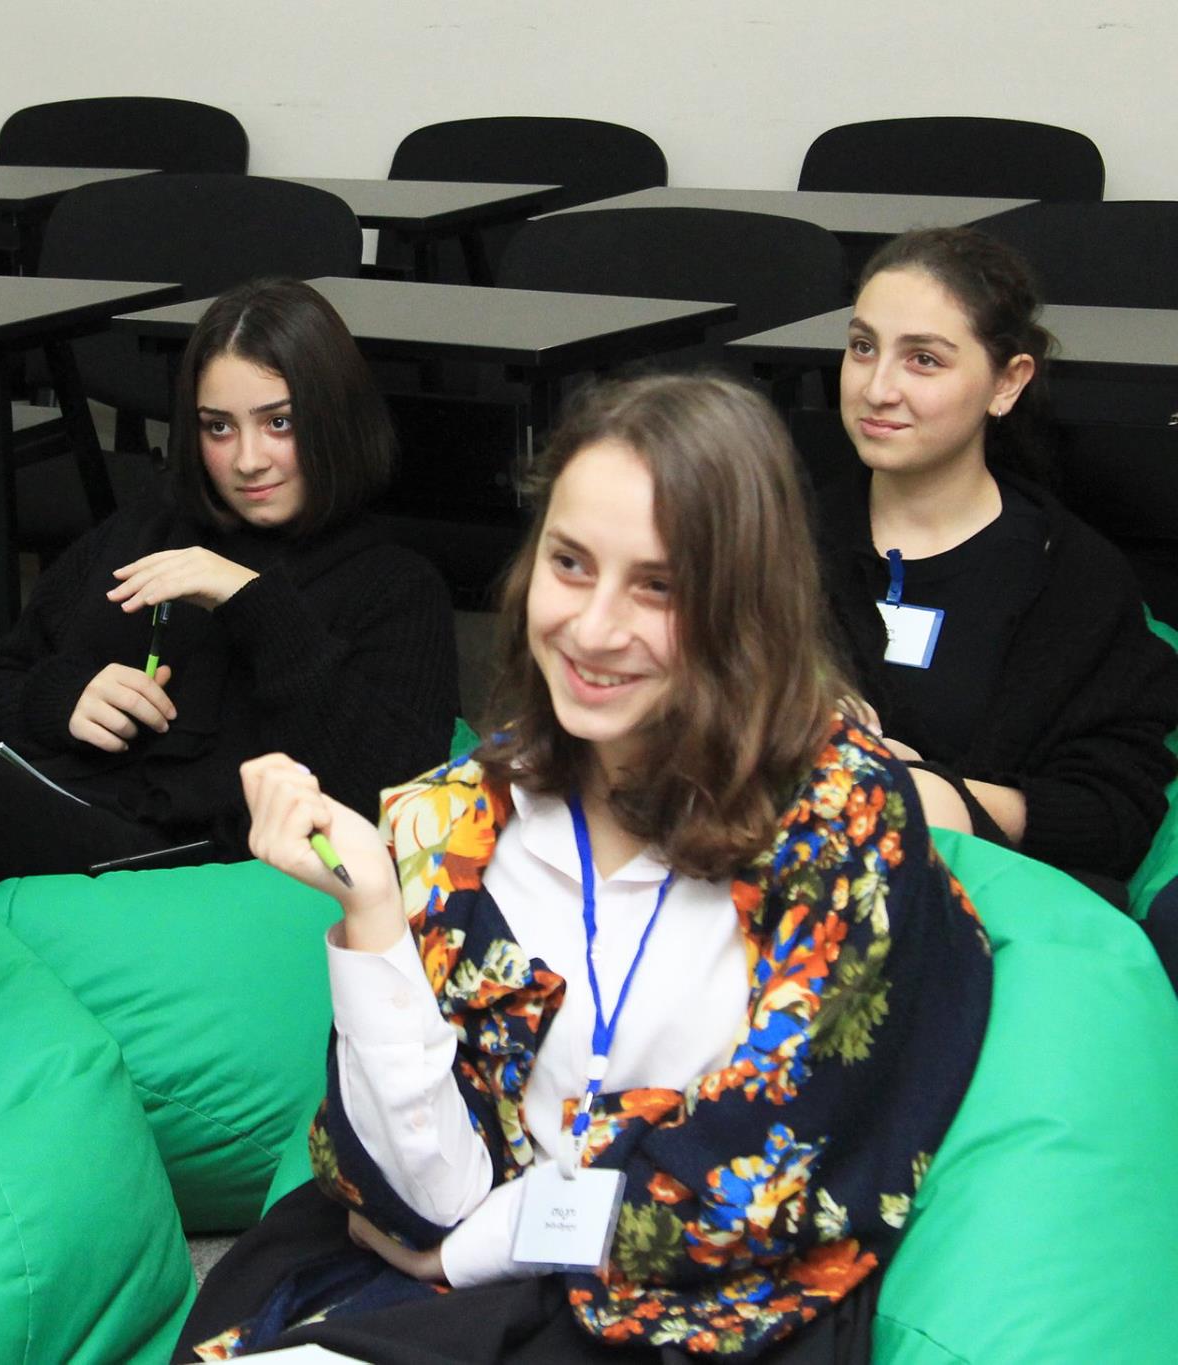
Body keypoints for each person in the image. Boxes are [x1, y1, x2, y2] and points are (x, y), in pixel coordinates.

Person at [176, 375, 994, 1363]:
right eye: (570, 564)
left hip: (692, 1310)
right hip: (441, 1290)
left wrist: (480, 1244)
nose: (594, 630)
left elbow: (754, 1186)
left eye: (657, 587)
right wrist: (375, 916)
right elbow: (419, 1201)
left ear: (746, 606)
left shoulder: (843, 816)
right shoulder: (454, 818)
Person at [0, 277, 459, 877]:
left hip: (174, 859)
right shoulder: (144, 531)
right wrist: (61, 699)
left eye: (279, 423)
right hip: (60, 806)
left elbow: (391, 800)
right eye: (219, 427)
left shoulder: (397, 586)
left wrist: (252, 601)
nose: (248, 460)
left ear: (335, 420)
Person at [817, 227, 1178, 890]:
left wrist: (943, 800)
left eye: (923, 360)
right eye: (863, 347)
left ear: (1007, 383)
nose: (877, 387)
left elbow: (1115, 810)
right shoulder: (780, 539)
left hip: (995, 901)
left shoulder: (1071, 577)